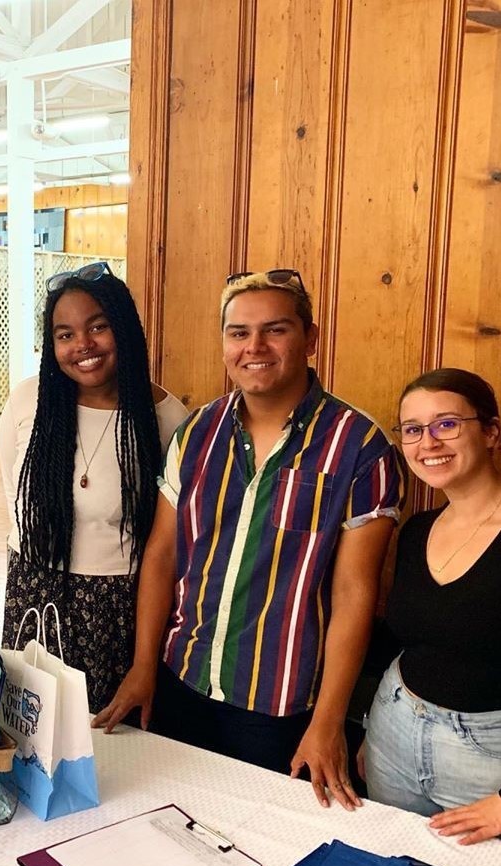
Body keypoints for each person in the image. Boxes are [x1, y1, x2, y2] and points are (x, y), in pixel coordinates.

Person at [94, 269, 405, 811]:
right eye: (238, 333)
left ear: (310, 339)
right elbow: (163, 554)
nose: (254, 347)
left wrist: (329, 723)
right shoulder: (196, 432)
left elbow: (355, 594)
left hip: (278, 709)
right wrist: (144, 667)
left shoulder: (359, 446)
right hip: (179, 681)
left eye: (274, 330)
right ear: (224, 345)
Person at [0, 263, 187, 713]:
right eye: (64, 334)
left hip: (116, 607)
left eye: (97, 327)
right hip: (33, 589)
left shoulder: (166, 420)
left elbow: (170, 541)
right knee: (28, 731)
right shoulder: (28, 401)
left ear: (123, 328)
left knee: (108, 745)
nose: (82, 345)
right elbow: (13, 493)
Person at [360, 368, 501, 844]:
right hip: (394, 730)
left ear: (491, 432)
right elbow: (408, 641)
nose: (429, 442)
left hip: (487, 760)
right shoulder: (417, 529)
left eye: (447, 424)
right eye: (414, 429)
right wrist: (371, 729)